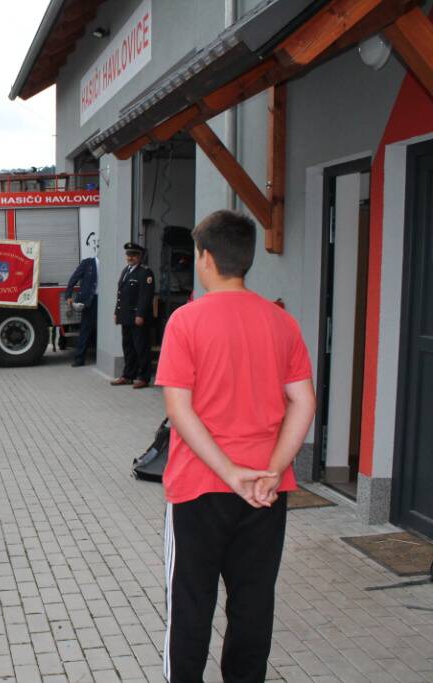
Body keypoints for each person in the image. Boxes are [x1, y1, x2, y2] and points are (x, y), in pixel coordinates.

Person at [155, 210, 315, 683]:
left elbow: (180, 412)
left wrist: (229, 473)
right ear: (246, 260)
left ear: (204, 258)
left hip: (198, 489)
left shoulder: (185, 322)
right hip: (265, 493)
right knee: (252, 603)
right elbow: (303, 403)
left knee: (190, 603)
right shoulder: (281, 322)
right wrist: (270, 470)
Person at [112, 242, 155, 388]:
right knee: (128, 347)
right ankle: (128, 375)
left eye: (134, 255)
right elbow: (121, 295)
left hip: (138, 317)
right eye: (128, 255)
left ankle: (143, 377)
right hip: (126, 316)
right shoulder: (126, 271)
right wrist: (116, 312)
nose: (130, 258)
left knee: (141, 347)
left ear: (140, 256)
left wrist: (140, 314)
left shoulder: (145, 272)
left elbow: (145, 296)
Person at [65, 255, 98, 367]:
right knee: (85, 329)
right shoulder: (88, 263)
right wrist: (68, 295)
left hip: (106, 300)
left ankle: (102, 357)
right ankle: (79, 359)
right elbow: (74, 278)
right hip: (90, 301)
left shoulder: (110, 264)